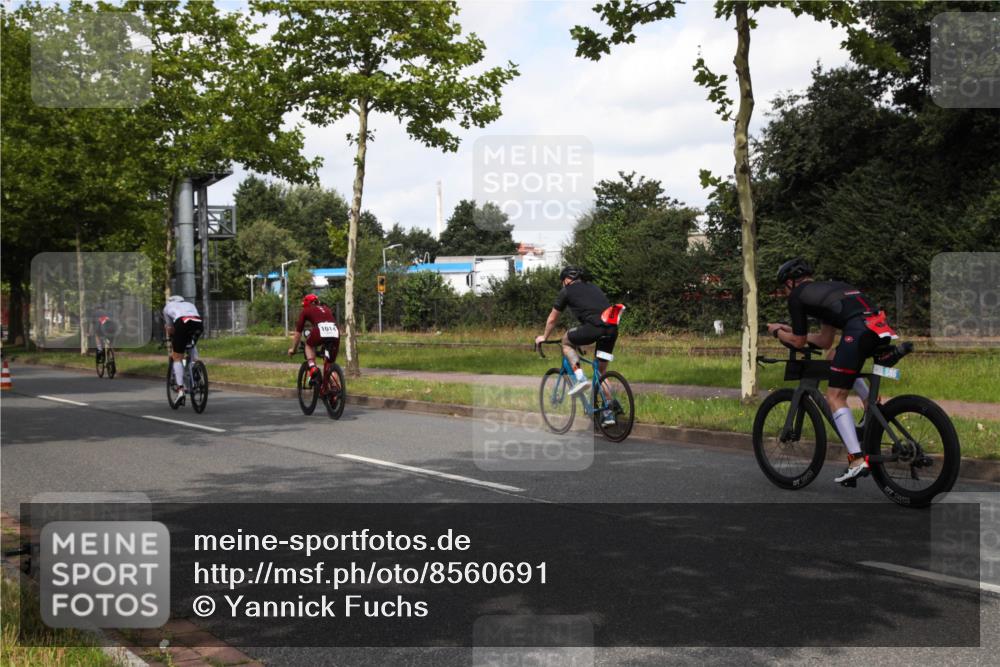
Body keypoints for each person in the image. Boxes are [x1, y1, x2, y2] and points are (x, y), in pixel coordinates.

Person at [767, 258, 898, 484]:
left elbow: (798, 343)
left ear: (790, 282)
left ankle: (856, 460)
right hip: (880, 328)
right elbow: (825, 341)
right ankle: (869, 403)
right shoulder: (829, 289)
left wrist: (777, 332)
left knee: (835, 396)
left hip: (858, 331)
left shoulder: (797, 296)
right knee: (834, 357)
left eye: (783, 287)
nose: (785, 291)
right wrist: (792, 330)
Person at [535, 266, 624, 426]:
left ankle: (580, 378)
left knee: (566, 341)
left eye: (563, 282)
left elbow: (553, 319)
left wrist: (544, 337)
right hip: (611, 329)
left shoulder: (567, 291)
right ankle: (609, 413)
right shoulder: (594, 287)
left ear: (566, 280)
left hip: (593, 328)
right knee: (601, 373)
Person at [287, 293, 340, 386]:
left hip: (319, 330)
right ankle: (336, 392)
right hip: (335, 332)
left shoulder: (306, 310)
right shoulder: (326, 309)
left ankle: (312, 367)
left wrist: (293, 349)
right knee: (330, 364)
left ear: (306, 304)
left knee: (308, 345)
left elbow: (298, 333)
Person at [162, 295, 203, 403]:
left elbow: (170, 328)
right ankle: (196, 366)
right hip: (198, 323)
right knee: (191, 343)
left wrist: (172, 337)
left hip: (182, 322)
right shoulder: (190, 304)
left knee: (177, 357)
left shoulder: (167, 307)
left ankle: (181, 389)